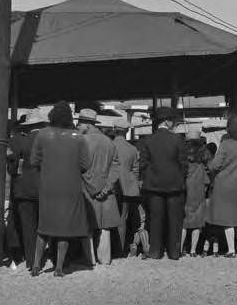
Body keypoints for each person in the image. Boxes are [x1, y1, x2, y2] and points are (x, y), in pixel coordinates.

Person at [30, 101, 92, 277]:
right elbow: (86, 164)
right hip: (70, 187)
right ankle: (59, 267)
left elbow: (34, 161)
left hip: (48, 186)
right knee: (63, 229)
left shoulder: (42, 134)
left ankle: (36, 266)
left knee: (44, 226)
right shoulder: (78, 136)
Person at [138, 107, 187, 260]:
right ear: (166, 121)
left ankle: (155, 252)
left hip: (153, 187)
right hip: (175, 186)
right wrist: (179, 178)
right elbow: (184, 165)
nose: (173, 123)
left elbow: (143, 165)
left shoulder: (147, 140)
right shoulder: (178, 140)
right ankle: (173, 252)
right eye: (172, 120)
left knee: (155, 220)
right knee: (175, 220)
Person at [78, 108, 121, 265]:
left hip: (87, 190)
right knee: (105, 227)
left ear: (88, 125)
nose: (77, 125)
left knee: (87, 226)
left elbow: (80, 168)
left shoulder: (82, 141)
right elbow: (116, 168)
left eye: (80, 123)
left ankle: (90, 260)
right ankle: (105, 258)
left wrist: (93, 188)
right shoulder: (109, 142)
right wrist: (106, 188)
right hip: (106, 191)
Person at [208, 115, 237, 258]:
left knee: (227, 218)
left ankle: (231, 250)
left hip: (224, 186)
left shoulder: (225, 144)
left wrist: (209, 165)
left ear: (228, 128)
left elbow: (215, 165)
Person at [7, 110, 47, 270]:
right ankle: (45, 256)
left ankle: (32, 261)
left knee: (28, 225)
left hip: (24, 189)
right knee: (43, 224)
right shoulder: (48, 141)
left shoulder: (18, 141)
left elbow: (12, 167)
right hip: (46, 187)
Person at [111, 119, 149, 257]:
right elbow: (135, 171)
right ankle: (122, 249)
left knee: (112, 220)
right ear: (126, 131)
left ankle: (114, 249)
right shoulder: (132, 149)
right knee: (124, 219)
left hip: (112, 186)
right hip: (128, 188)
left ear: (114, 130)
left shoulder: (110, 145)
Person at [181, 130, 209, 257]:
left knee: (184, 222)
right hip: (199, 188)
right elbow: (211, 168)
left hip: (186, 188)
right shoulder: (204, 152)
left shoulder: (182, 153)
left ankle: (181, 249)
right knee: (197, 222)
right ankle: (193, 251)